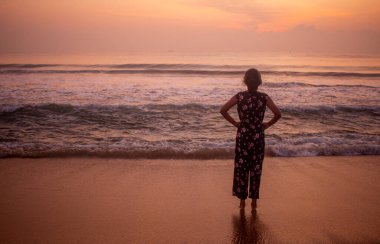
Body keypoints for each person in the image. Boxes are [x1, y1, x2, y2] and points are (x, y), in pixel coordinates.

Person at [220, 68, 281, 210]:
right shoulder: (264, 97)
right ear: (259, 82)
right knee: (256, 168)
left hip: (243, 135)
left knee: (242, 168)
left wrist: (235, 123)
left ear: (245, 81)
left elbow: (223, 110)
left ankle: (242, 202)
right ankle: (254, 202)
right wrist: (266, 125)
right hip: (258, 136)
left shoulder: (240, 96)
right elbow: (278, 114)